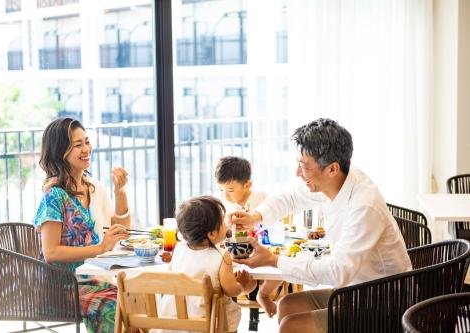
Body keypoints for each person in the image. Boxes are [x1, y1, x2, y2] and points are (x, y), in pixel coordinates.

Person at [230, 118, 412, 333]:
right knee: (287, 305)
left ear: (332, 169)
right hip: (355, 290)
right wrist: (255, 217)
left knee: (292, 325)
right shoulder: (338, 180)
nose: (298, 173)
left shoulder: (364, 206)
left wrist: (273, 259)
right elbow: (290, 199)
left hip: (384, 302)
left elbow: (337, 272)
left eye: (303, 166)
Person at [33, 118, 132, 333]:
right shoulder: (54, 196)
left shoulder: (91, 186)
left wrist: (119, 192)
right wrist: (100, 248)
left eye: (87, 142)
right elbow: (50, 253)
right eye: (78, 145)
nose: (86, 149)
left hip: (92, 277)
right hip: (62, 287)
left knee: (136, 297)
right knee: (114, 307)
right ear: (61, 151)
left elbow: (121, 227)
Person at [158, 196, 257, 333]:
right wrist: (243, 286)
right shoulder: (221, 256)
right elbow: (230, 290)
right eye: (222, 222)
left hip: (177, 321)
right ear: (211, 234)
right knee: (229, 315)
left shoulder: (179, 248)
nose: (226, 225)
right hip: (210, 323)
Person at [215, 156, 282, 317]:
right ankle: (231, 312)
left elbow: (275, 224)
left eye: (230, 190)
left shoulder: (263, 199)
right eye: (221, 190)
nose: (225, 195)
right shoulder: (224, 206)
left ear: (247, 185)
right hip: (235, 254)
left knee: (282, 266)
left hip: (262, 249)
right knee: (226, 273)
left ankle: (263, 294)